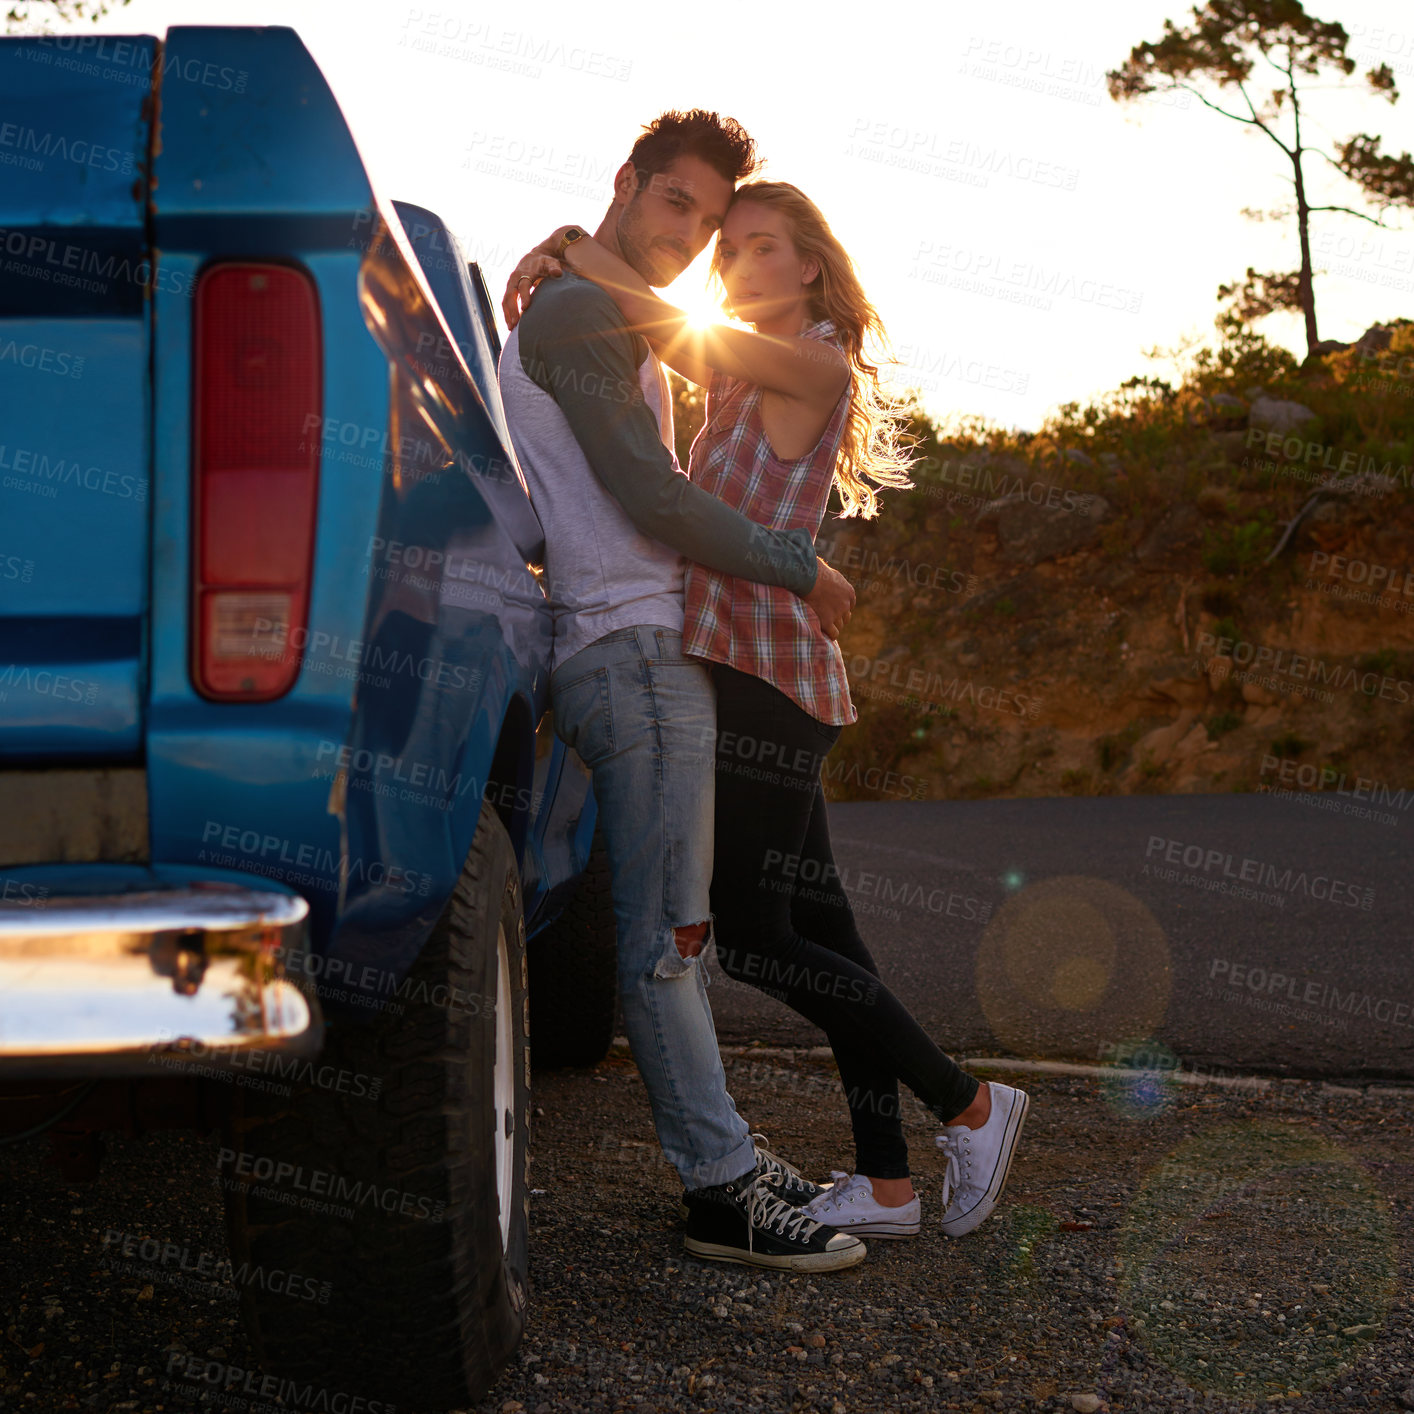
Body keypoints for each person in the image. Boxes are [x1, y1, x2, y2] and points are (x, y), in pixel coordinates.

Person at [504, 180, 1029, 1241]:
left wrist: (567, 246)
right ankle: (885, 1181)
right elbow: (646, 346)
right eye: (727, 250)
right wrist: (570, 265)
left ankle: (969, 1103)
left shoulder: (811, 361)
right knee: (825, 925)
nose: (736, 266)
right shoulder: (743, 373)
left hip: (771, 679)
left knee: (747, 933)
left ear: (810, 267)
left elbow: (653, 321)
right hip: (744, 665)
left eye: (760, 247)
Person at [496, 110, 865, 1272]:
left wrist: (567, 243)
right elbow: (654, 498)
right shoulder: (571, 315)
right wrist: (799, 563)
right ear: (627, 182)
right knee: (666, 940)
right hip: (634, 655)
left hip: (649, 651)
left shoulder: (591, 305)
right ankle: (719, 1192)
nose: (689, 236)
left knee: (683, 933)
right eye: (676, 204)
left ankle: (733, 1158)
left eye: (708, 222)